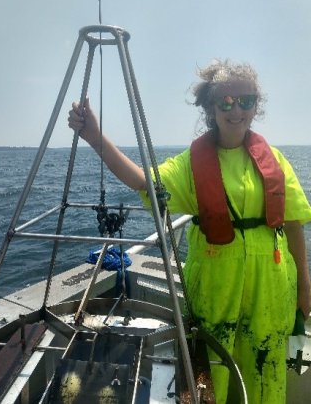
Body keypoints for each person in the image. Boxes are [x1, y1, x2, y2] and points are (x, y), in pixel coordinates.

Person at [68, 59, 311, 404]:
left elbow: (293, 224)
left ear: (257, 106)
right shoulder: (189, 164)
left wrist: (305, 287)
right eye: (226, 102)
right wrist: (94, 136)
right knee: (208, 368)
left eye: (246, 101)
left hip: (272, 284)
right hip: (215, 282)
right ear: (211, 107)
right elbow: (144, 181)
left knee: (265, 365)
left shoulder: (275, 159)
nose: (236, 110)